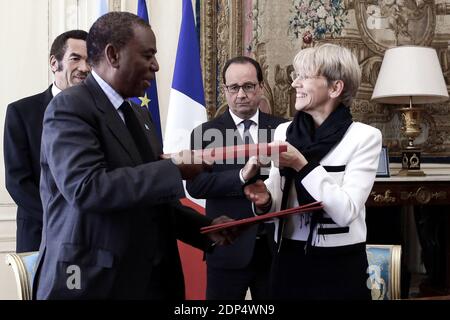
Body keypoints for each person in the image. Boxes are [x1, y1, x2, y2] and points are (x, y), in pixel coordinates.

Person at [34, 12, 234, 300]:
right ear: (113, 55)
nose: (156, 65)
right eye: (147, 55)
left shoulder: (138, 113)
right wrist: (176, 169)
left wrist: (203, 228)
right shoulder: (70, 107)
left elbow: (149, 197)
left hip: (149, 280)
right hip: (92, 282)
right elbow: (87, 188)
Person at [244, 43, 382, 300]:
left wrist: (302, 165)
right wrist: (264, 201)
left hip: (340, 265)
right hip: (287, 260)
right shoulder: (284, 132)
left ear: (335, 88)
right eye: (296, 76)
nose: (295, 83)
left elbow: (345, 211)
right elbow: (276, 205)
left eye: (305, 77)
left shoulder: (365, 138)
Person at [186, 56, 287, 300]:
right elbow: (196, 186)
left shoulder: (283, 129)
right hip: (227, 249)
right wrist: (241, 177)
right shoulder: (204, 133)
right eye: (234, 88)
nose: (241, 94)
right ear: (225, 91)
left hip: (275, 250)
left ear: (260, 87)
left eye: (248, 86)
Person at [4, 30, 90, 253]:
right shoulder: (21, 112)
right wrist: (61, 220)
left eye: (90, 60)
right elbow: (17, 182)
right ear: (54, 63)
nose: (85, 67)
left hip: (91, 238)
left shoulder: (102, 113)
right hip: (40, 235)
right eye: (76, 58)